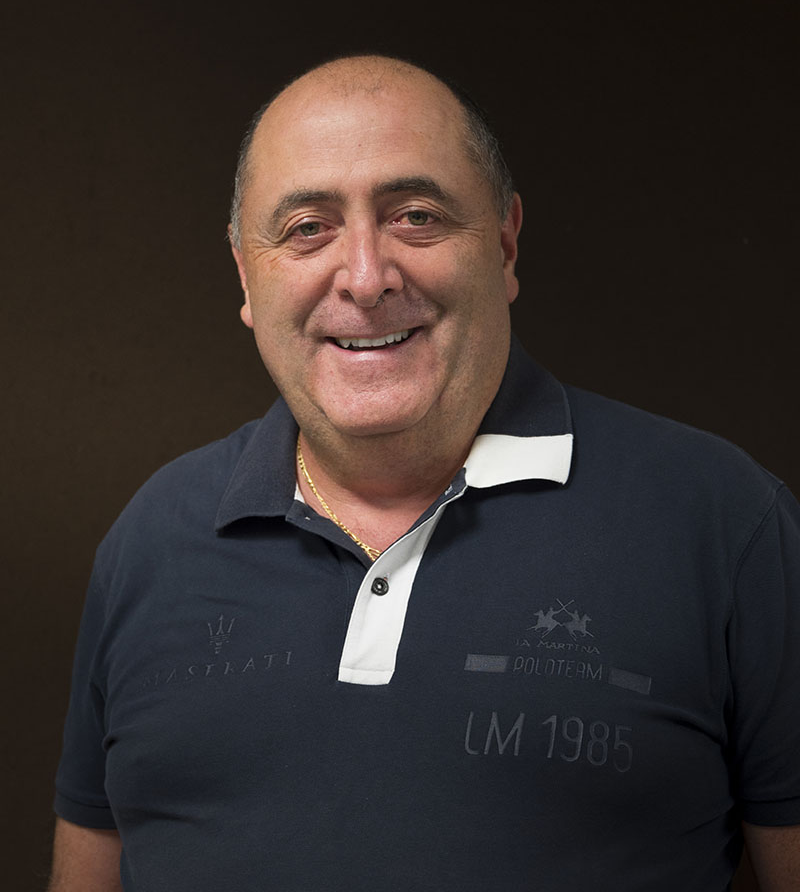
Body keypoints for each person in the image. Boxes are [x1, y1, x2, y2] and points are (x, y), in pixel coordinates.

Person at [50, 55, 800, 891]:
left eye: (415, 216)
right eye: (307, 228)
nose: (366, 279)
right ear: (245, 276)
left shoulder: (724, 524)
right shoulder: (153, 537)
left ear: (505, 244)